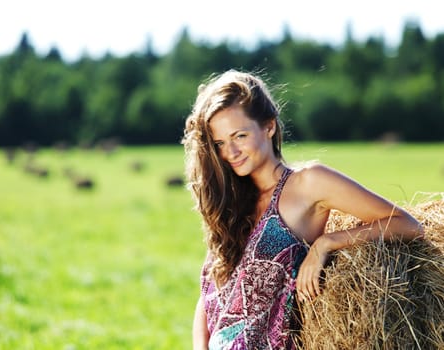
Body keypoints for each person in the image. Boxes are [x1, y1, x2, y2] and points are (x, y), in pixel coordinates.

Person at [181, 69, 424, 350]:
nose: (230, 153)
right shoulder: (232, 202)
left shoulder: (308, 183)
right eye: (220, 143)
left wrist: (326, 243)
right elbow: (210, 293)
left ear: (269, 127)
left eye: (240, 136)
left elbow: (406, 224)